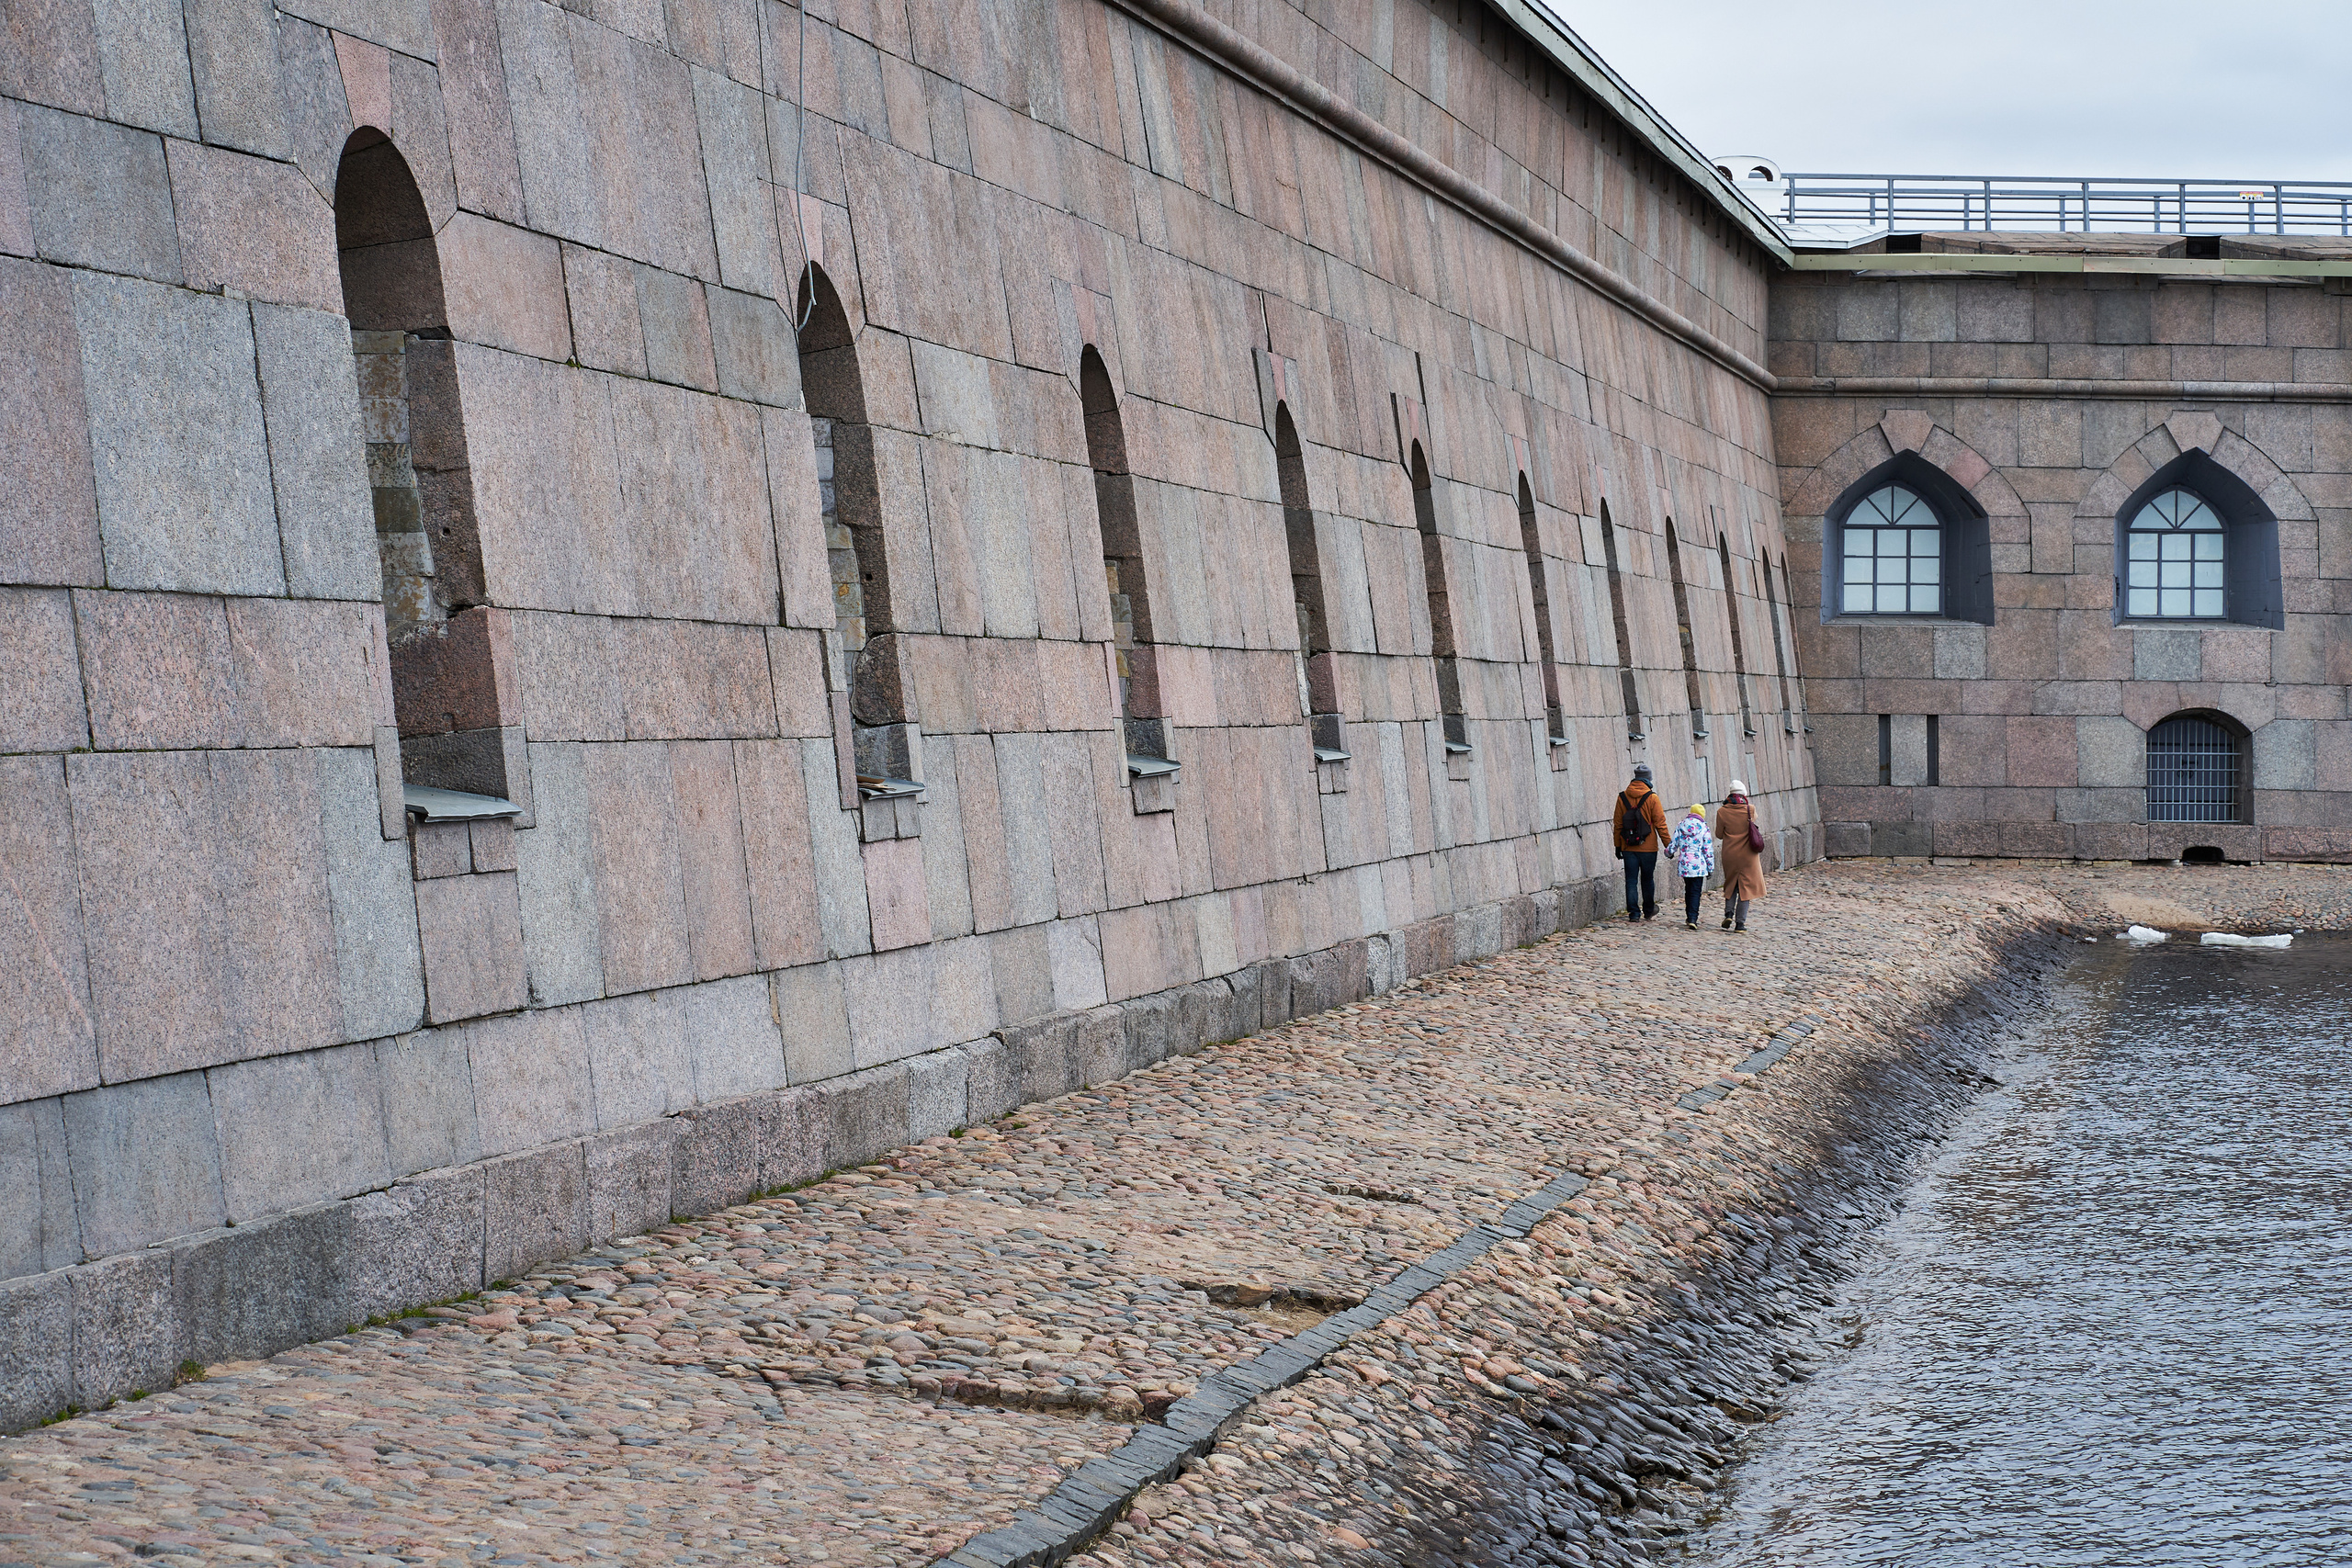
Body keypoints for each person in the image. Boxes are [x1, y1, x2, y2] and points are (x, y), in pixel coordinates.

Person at [1611, 763, 1669, 922]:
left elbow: (1618, 825)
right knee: (1647, 879)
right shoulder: (1652, 797)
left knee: (1631, 880)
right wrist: (1668, 845)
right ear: (1648, 779)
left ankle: (1634, 914)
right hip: (1648, 848)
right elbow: (1660, 824)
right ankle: (1649, 910)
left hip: (1628, 846)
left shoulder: (1622, 797)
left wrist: (1618, 846)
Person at [1714, 780, 1767, 931]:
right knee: (1746, 888)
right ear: (1743, 793)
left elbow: (1719, 835)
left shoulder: (1722, 811)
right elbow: (1753, 822)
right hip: (1748, 855)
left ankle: (1728, 913)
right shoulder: (1750, 809)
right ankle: (1740, 923)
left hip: (1730, 854)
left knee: (1731, 884)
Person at [1667, 802, 1715, 930]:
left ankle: (1689, 916)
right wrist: (1711, 868)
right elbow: (1708, 850)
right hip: (1699, 865)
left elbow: (1673, 844)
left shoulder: (1681, 825)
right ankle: (1693, 917)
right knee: (1696, 892)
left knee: (1689, 890)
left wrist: (1668, 853)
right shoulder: (1704, 828)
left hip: (1685, 864)